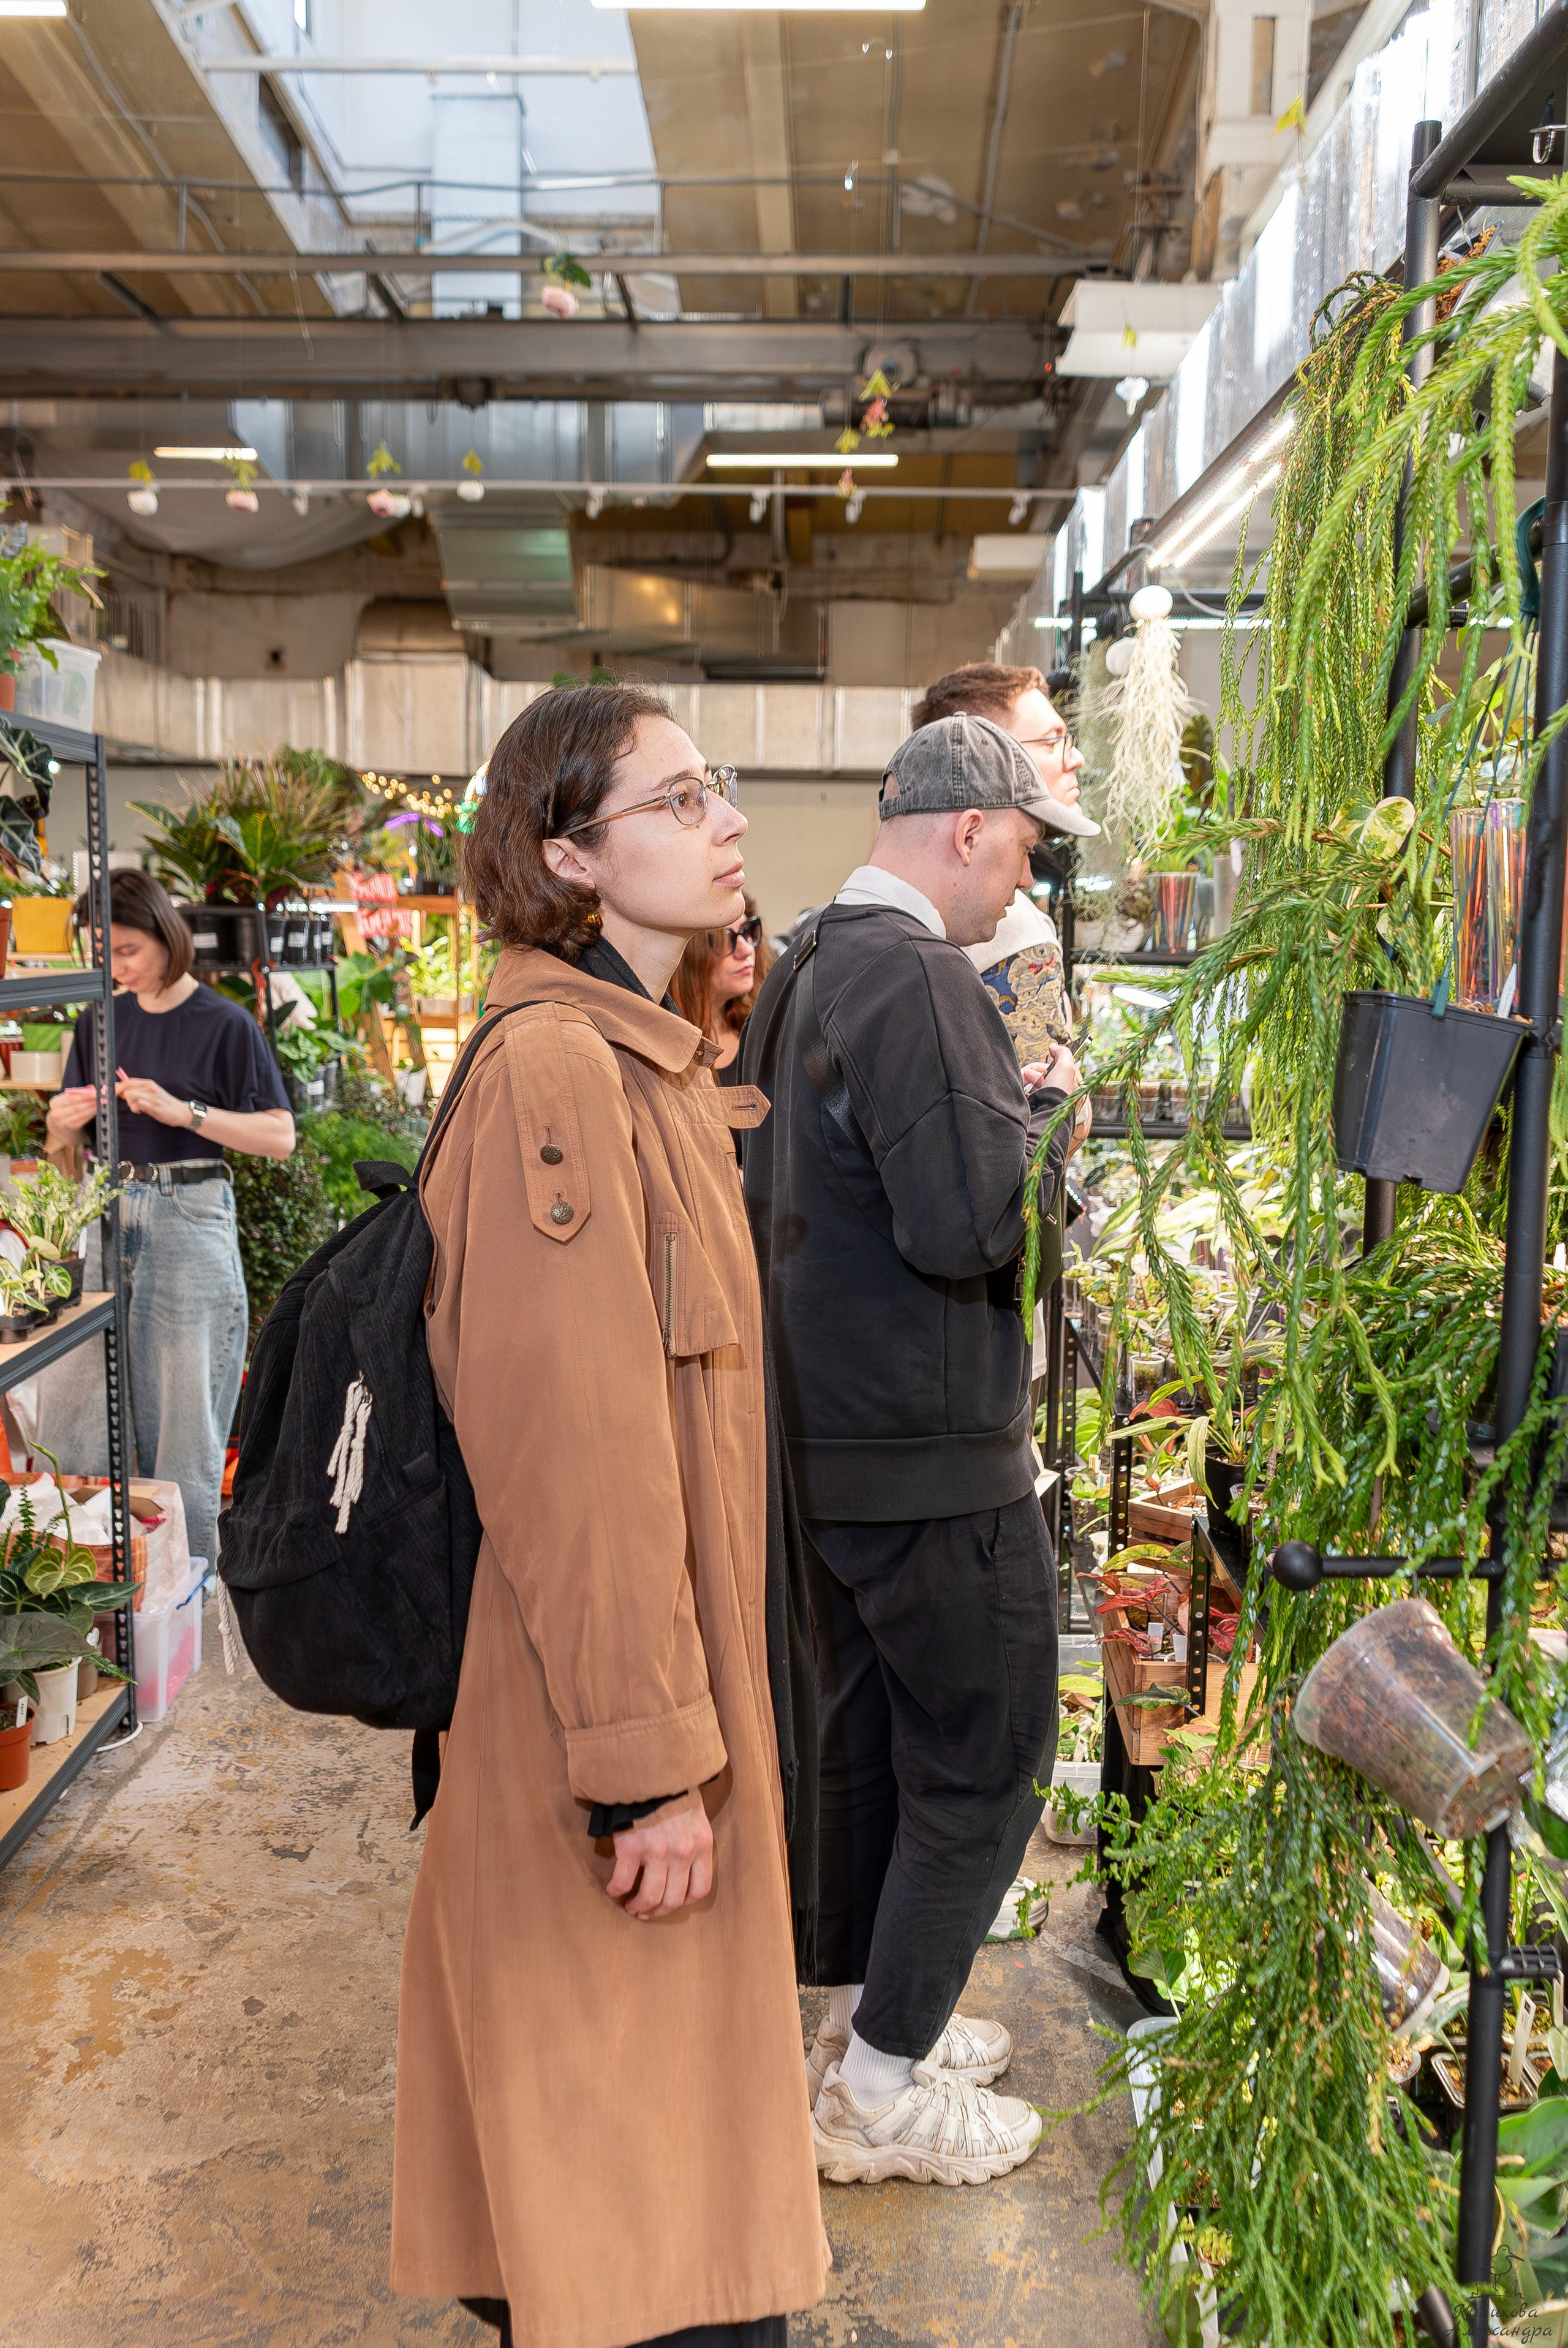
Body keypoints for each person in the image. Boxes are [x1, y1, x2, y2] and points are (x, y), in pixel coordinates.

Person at [391, 685, 828, 2348]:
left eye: (718, 790)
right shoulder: (561, 1072)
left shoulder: (642, 1062)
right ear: (569, 856)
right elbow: (575, 1451)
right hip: (603, 1737)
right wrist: (645, 1767)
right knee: (635, 2252)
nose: (727, 822)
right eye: (679, 799)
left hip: (649, 1706)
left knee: (648, 2227)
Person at [741, 712, 1085, 2188]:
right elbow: (966, 1224)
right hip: (929, 1448)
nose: (1021, 885)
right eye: (1021, 852)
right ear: (967, 828)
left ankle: (871, 2028)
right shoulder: (924, 974)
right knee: (988, 1754)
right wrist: (1046, 1133)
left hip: (826, 1437)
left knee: (876, 1750)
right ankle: (877, 2092)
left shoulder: (807, 955)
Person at [35, 869, 295, 1571]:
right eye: (102, 953)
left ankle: (182, 1581)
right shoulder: (97, 1020)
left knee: (184, 1414)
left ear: (166, 935)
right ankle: (83, 1575)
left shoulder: (225, 1022)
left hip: (188, 1213)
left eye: (127, 950)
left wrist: (185, 1112)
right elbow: (63, 1150)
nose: (115, 967)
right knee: (79, 1406)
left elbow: (280, 1136)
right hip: (102, 1209)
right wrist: (61, 1122)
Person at [669, 892, 774, 1087]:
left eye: (747, 931)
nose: (747, 950)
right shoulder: (664, 1050)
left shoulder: (764, 1032)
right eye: (726, 939)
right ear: (688, 955)